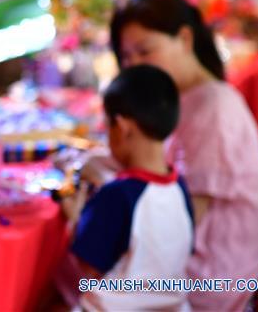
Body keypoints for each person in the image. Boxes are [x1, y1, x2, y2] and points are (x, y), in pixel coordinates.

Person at [107, 0, 258, 311]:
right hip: (200, 264)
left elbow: (180, 223)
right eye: (126, 57)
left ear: (184, 39)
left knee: (85, 276)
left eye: (144, 51)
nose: (134, 66)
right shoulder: (182, 100)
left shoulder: (214, 110)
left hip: (212, 281)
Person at [72, 65, 194, 311]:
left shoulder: (116, 194)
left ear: (121, 127)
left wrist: (74, 216)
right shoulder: (180, 186)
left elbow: (89, 267)